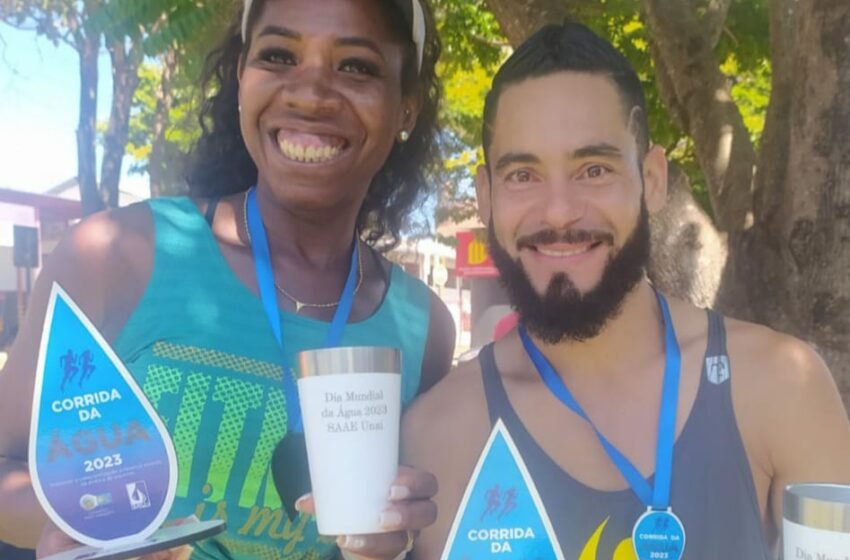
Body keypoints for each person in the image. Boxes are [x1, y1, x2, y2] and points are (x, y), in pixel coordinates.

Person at [0, 0, 455, 559]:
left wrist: (394, 543)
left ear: (406, 106)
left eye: (356, 66)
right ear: (241, 77)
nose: (310, 93)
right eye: (279, 55)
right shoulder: (116, 257)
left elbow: (414, 533)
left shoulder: (424, 326)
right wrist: (90, 529)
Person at [403, 22, 850, 559]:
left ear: (653, 180)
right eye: (523, 175)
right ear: (486, 196)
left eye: (594, 169)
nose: (560, 211)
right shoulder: (436, 433)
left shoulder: (780, 386)